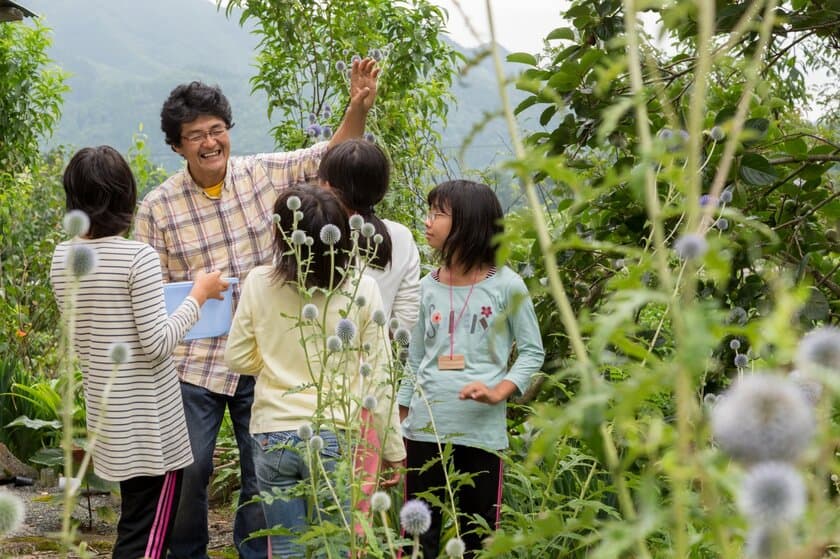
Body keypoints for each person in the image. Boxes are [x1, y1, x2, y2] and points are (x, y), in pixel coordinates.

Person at [133, 58, 380, 559]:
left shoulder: (261, 173)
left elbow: (328, 155)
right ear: (177, 145)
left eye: (217, 130)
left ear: (228, 131)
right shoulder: (156, 208)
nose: (209, 143)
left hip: (264, 356)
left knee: (260, 471)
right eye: (195, 135)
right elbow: (150, 293)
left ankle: (257, 553)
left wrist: (357, 107)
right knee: (190, 466)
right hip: (194, 362)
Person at [50, 146, 228, 559]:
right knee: (147, 536)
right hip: (150, 424)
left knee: (135, 519)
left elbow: (87, 334)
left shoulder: (63, 257)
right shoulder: (137, 257)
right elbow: (157, 342)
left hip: (108, 413)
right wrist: (198, 295)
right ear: (125, 194)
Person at [224, 185, 406, 557]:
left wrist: (275, 362)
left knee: (287, 546)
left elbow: (237, 358)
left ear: (282, 235)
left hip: (272, 434)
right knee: (334, 545)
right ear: (341, 236)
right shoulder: (363, 289)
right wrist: (393, 448)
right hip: (336, 434)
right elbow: (380, 379)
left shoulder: (259, 282)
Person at [397, 180, 545, 559]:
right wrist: (399, 419)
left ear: (469, 223)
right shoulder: (425, 287)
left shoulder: (507, 287)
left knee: (478, 537)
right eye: (428, 212)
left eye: (438, 214)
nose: (427, 222)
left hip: (480, 434)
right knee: (417, 540)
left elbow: (531, 352)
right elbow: (414, 360)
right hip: (424, 429)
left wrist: (499, 391)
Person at [318, 138, 421, 331]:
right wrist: (378, 349)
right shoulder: (401, 236)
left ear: (328, 186)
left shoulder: (315, 234)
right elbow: (407, 314)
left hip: (317, 357)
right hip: (376, 357)